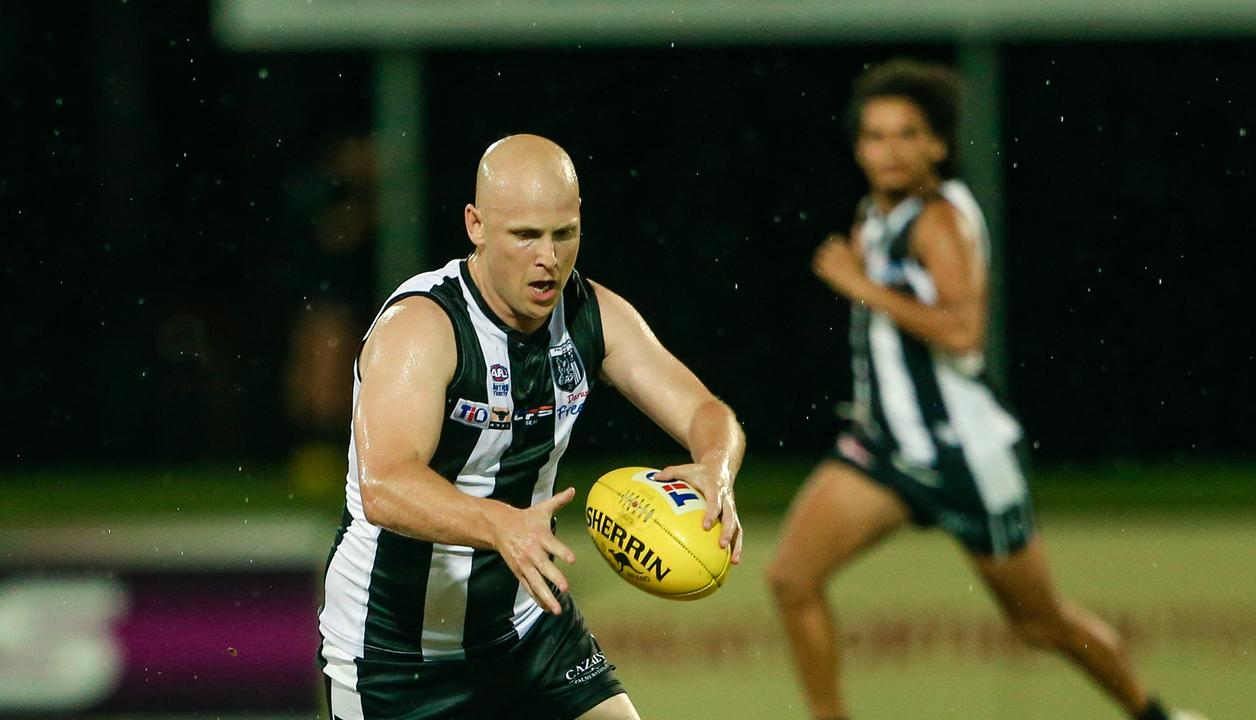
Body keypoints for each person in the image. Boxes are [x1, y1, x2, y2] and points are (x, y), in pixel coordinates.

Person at [766, 59, 1202, 720]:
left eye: (907, 134)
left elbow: (964, 331)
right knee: (792, 579)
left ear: (937, 144)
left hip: (964, 457)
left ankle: (1155, 715)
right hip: (888, 449)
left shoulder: (938, 220)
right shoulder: (874, 215)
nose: (890, 149)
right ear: (858, 147)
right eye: (876, 135)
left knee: (1040, 624)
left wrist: (860, 286)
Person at [317, 134, 745, 720]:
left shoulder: (592, 313)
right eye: (525, 235)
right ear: (476, 225)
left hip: (529, 631)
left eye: (563, 233)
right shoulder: (423, 326)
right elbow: (386, 484)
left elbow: (705, 411)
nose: (548, 257)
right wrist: (500, 526)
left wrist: (716, 466)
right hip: (395, 654)